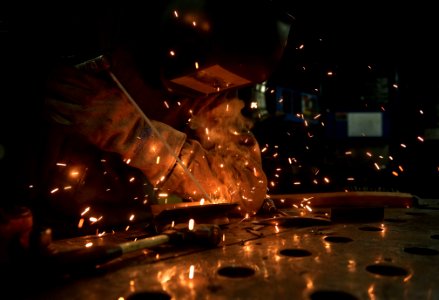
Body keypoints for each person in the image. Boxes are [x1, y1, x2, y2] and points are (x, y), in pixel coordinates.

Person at [1, 0, 293, 242]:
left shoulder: (214, 81)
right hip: (61, 239)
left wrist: (139, 137)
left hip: (149, 237)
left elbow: (248, 189)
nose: (206, 95)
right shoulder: (92, 41)